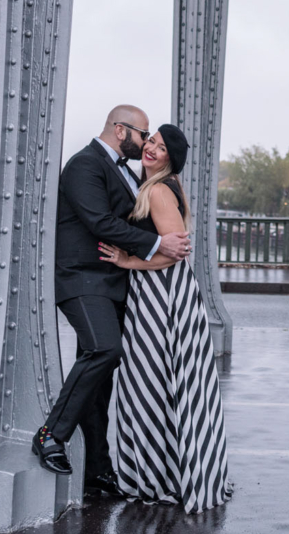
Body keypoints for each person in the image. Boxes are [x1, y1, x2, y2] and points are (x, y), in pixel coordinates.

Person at [33, 105, 192, 497]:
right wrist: (158, 242)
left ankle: (96, 472)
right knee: (104, 350)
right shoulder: (84, 165)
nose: (146, 142)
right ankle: (51, 434)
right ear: (122, 131)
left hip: (113, 280)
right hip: (82, 277)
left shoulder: (128, 172)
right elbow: (99, 222)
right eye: (144, 135)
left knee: (101, 380)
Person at [99, 123, 232, 513]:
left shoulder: (157, 190)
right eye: (151, 142)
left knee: (149, 385)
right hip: (161, 293)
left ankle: (156, 477)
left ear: (171, 159)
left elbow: (175, 253)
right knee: (166, 384)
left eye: (160, 146)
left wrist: (127, 260)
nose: (151, 149)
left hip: (161, 296)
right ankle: (172, 472)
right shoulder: (159, 186)